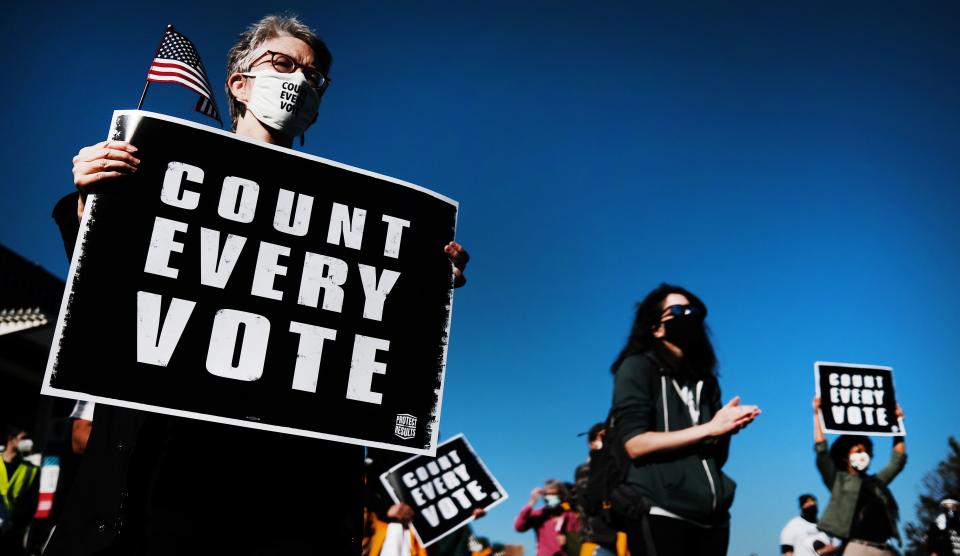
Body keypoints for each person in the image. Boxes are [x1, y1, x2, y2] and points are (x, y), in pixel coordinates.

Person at [48, 14, 470, 556]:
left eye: (314, 75)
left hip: (285, 506)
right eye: (283, 63)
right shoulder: (157, 171)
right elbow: (106, 296)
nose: (300, 79)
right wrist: (93, 202)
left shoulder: (356, 221)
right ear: (239, 83)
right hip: (156, 489)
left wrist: (422, 288)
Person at [610, 283, 761, 556]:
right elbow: (635, 443)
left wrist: (727, 429)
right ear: (656, 328)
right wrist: (710, 428)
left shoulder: (707, 382)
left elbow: (716, 458)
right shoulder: (637, 367)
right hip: (661, 511)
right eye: (677, 310)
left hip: (713, 520)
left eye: (694, 310)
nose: (688, 316)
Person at [812, 398, 906, 555]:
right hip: (858, 548)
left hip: (885, 549)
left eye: (865, 451)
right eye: (857, 451)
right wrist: (817, 413)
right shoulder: (838, 480)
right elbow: (822, 450)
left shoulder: (877, 482)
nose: (863, 455)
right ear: (844, 457)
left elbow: (897, 461)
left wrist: (898, 425)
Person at [574, 423, 624, 556]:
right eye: (602, 436)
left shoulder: (621, 463)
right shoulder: (585, 470)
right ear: (592, 444)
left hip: (623, 537)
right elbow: (589, 502)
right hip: (597, 540)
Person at [0, 425, 39, 556]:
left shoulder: (31, 469)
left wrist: (13, 523)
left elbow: (31, 502)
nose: (28, 441)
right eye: (24, 438)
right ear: (11, 439)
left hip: (11, 534)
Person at [514, 479, 580, 556]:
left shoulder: (570, 515)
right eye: (548, 494)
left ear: (561, 495)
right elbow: (518, 526)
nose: (551, 497)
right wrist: (532, 501)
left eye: (554, 494)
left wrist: (568, 541)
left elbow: (579, 538)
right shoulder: (540, 514)